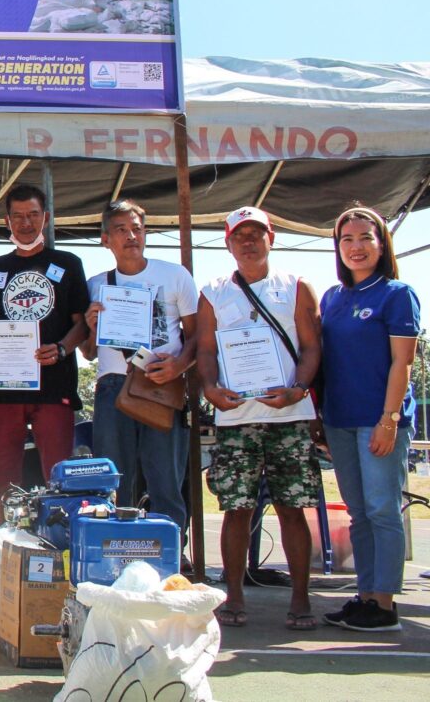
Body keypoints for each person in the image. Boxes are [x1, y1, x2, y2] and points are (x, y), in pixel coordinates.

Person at [197, 206, 322, 630]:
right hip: (236, 417)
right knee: (237, 509)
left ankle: (301, 599)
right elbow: (206, 351)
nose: (248, 242)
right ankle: (233, 595)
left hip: (290, 413)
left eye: (257, 234)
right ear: (228, 243)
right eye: (239, 235)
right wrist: (210, 389)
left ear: (272, 238)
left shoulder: (296, 286)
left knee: (292, 507)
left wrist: (298, 388)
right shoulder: (213, 291)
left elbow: (311, 347)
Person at [320, 205, 420, 632]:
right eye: (347, 239)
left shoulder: (397, 294)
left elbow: (403, 364)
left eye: (366, 238)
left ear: (382, 244)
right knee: (359, 513)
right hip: (340, 420)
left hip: (379, 421)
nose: (356, 247)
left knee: (383, 511)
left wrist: (389, 418)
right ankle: (364, 596)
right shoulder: (332, 298)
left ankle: (384, 604)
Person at [0, 185, 88, 528]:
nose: (26, 223)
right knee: (2, 478)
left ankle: (60, 549)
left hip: (55, 389)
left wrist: (63, 348)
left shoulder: (68, 264)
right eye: (18, 216)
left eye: (33, 215)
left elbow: (81, 325)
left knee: (58, 475)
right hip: (6, 389)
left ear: (46, 218)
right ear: (7, 221)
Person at [81, 200, 197, 533]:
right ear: (106, 239)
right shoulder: (95, 284)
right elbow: (89, 352)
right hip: (113, 386)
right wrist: (91, 324)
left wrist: (178, 366)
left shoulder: (174, 275)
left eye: (137, 229)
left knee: (165, 477)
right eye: (121, 230)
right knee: (116, 478)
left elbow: (197, 336)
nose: (131, 236)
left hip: (161, 383)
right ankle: (117, 549)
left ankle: (172, 554)